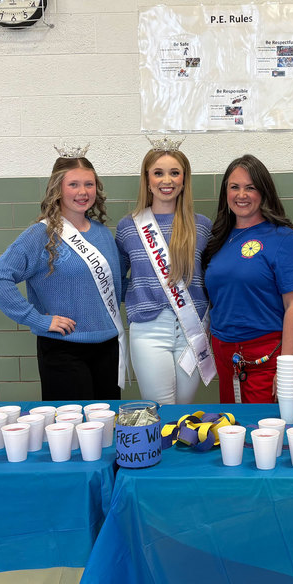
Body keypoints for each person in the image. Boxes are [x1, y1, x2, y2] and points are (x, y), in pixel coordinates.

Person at [0, 146, 125, 401]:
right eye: (73, 184)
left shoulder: (103, 234)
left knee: (106, 428)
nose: (83, 192)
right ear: (57, 189)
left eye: (89, 184)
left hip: (107, 347)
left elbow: (115, 288)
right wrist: (38, 319)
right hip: (64, 350)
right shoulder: (40, 235)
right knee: (71, 432)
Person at [115, 139, 213, 405]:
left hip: (192, 326)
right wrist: (140, 293)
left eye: (174, 172)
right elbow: (116, 280)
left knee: (183, 407)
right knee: (160, 408)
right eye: (158, 173)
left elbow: (212, 279)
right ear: (147, 180)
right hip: (148, 328)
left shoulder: (202, 226)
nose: (166, 180)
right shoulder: (128, 227)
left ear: (184, 180)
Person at [203, 154, 293, 404]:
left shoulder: (283, 238)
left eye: (250, 188)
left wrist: (287, 369)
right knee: (232, 430)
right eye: (234, 187)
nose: (242, 195)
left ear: (264, 192)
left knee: (263, 434)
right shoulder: (218, 238)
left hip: (265, 355)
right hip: (225, 353)